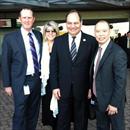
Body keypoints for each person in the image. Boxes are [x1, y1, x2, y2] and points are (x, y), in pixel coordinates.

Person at [49, 10, 97, 130]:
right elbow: (53, 65)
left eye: (76, 23)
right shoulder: (58, 41)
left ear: (81, 22)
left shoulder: (91, 41)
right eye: (69, 23)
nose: (72, 26)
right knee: (62, 121)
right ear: (66, 24)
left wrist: (92, 87)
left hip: (83, 90)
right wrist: (54, 86)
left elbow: (94, 68)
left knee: (81, 121)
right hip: (62, 90)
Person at [1, 8, 43, 130]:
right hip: (20, 81)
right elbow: (5, 62)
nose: (27, 20)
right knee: (20, 111)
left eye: (29, 17)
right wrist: (7, 84)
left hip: (36, 79)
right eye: (24, 17)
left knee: (34, 111)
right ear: (19, 19)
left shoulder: (38, 35)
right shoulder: (10, 38)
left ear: (33, 19)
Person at [90, 20, 127, 130]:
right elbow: (95, 73)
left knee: (117, 127)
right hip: (99, 100)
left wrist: (114, 104)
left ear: (109, 32)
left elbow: (121, 81)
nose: (100, 34)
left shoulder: (118, 52)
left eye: (104, 31)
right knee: (101, 127)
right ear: (94, 33)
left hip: (112, 103)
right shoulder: (97, 49)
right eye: (98, 31)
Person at [40, 21, 59, 130]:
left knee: (60, 106)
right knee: (48, 104)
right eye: (48, 31)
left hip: (58, 81)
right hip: (46, 81)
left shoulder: (60, 44)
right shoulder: (41, 46)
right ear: (45, 32)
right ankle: (52, 125)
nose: (50, 33)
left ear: (56, 32)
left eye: (53, 31)